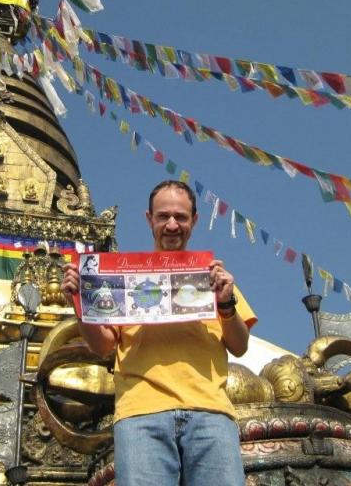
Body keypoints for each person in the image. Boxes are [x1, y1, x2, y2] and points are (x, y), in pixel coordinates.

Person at [61, 180, 257, 485]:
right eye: (163, 216)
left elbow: (240, 345)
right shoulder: (121, 279)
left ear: (194, 221)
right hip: (141, 412)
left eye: (180, 217)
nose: (172, 224)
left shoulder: (213, 279)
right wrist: (79, 304)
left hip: (210, 411)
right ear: (149, 219)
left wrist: (226, 304)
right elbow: (102, 347)